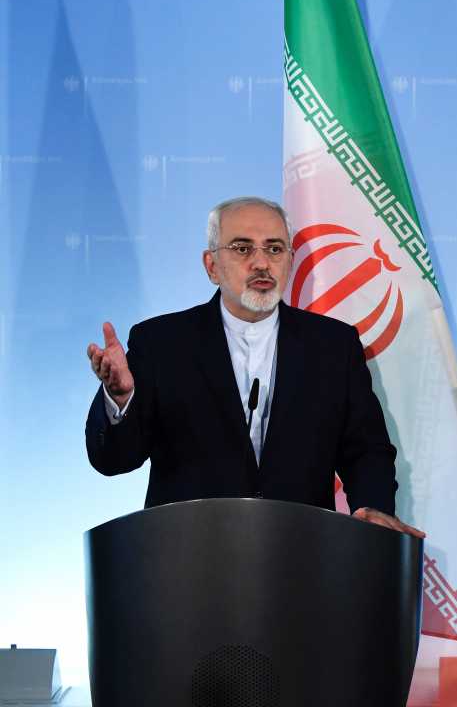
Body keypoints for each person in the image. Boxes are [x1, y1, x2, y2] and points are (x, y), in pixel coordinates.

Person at [84, 196, 421, 536]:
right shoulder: (161, 343)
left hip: (304, 560)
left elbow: (366, 450)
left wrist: (373, 510)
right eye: (243, 249)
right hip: (186, 562)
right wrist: (121, 399)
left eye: (274, 249)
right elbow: (113, 460)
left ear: (290, 260)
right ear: (212, 265)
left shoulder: (334, 346)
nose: (261, 263)